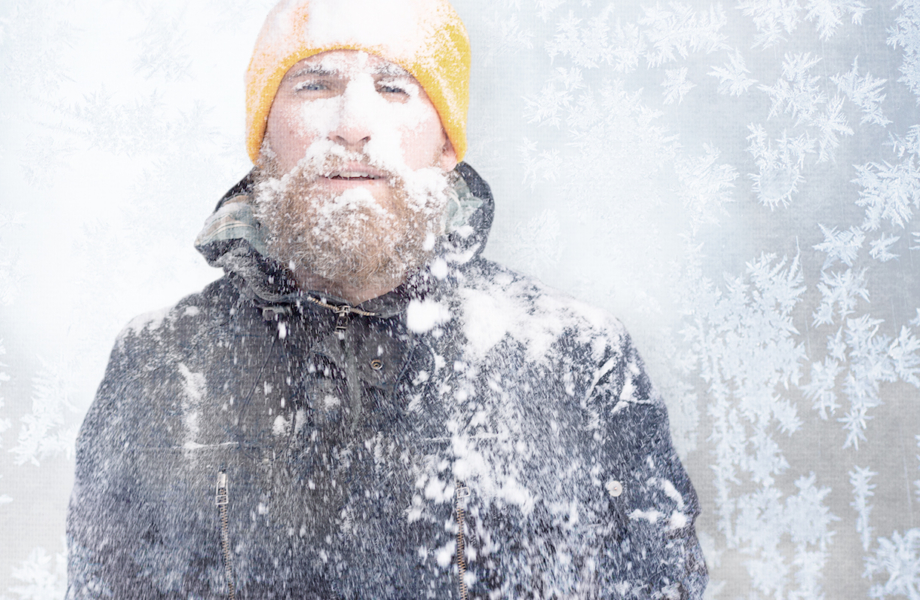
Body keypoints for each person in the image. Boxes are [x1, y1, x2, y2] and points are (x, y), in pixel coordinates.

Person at [66, 0, 707, 598]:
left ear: (447, 144)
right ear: (264, 140)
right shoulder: (161, 365)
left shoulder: (575, 359)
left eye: (395, 86)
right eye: (315, 85)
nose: (352, 125)